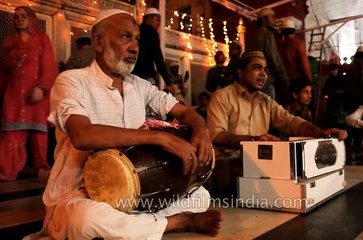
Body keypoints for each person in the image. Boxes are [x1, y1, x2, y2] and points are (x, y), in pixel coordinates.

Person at [25, 9, 222, 239]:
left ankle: (140, 225)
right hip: (80, 196)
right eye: (125, 37)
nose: (135, 47)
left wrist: (201, 129)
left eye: (137, 39)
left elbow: (184, 111)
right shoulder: (72, 81)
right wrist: (160, 137)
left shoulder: (139, 86)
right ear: (98, 42)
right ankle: (175, 222)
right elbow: (82, 135)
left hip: (135, 193)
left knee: (200, 197)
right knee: (85, 219)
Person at [207, 51, 347, 197]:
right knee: (261, 181)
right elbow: (216, 135)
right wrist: (254, 141)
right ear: (240, 72)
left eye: (265, 70)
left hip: (258, 160)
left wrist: (320, 132)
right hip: (228, 160)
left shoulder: (265, 101)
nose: (263, 74)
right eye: (257, 67)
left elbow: (290, 121)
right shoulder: (222, 96)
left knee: (300, 173)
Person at [0, 6, 56, 181]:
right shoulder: (9, 42)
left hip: (35, 94)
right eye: (16, 17)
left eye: (23, 16)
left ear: (31, 19)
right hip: (14, 94)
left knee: (38, 133)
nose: (19, 19)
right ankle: (7, 170)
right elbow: (3, 69)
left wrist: (42, 87)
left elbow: (49, 65)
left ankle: (41, 166)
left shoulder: (42, 39)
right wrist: (8, 60)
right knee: (11, 133)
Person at [247, 8, 288, 102]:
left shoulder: (252, 35)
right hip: (264, 77)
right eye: (272, 17)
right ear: (264, 19)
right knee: (268, 109)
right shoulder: (267, 34)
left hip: (251, 78)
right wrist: (284, 78)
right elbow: (274, 58)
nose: (274, 20)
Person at [132, 7, 171, 88]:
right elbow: (157, 57)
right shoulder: (151, 32)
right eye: (157, 20)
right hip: (146, 77)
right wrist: (168, 82)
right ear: (149, 18)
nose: (159, 24)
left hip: (131, 76)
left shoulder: (136, 30)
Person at [280, 18, 312, 83]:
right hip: (297, 80)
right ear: (293, 30)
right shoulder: (299, 44)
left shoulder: (281, 46)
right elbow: (304, 64)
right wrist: (309, 81)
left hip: (284, 80)